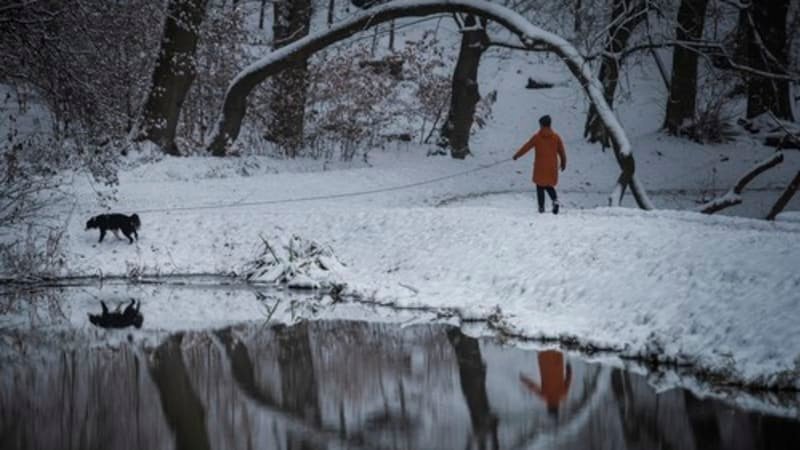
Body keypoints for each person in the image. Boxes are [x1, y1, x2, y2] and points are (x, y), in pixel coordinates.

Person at [512, 115, 567, 214]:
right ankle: (555, 201)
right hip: (552, 166)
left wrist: (517, 155)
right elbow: (562, 152)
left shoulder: (537, 137)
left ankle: (541, 207)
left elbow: (527, 147)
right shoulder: (556, 137)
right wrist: (563, 163)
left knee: (540, 185)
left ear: (541, 125)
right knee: (549, 185)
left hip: (540, 166)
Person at [519, 350, 572, 418]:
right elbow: (533, 387)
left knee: (553, 344)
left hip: (557, 358)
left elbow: (568, 378)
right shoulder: (545, 396)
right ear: (548, 407)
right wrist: (524, 380)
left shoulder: (562, 395)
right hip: (544, 358)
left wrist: (568, 367)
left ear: (558, 408)